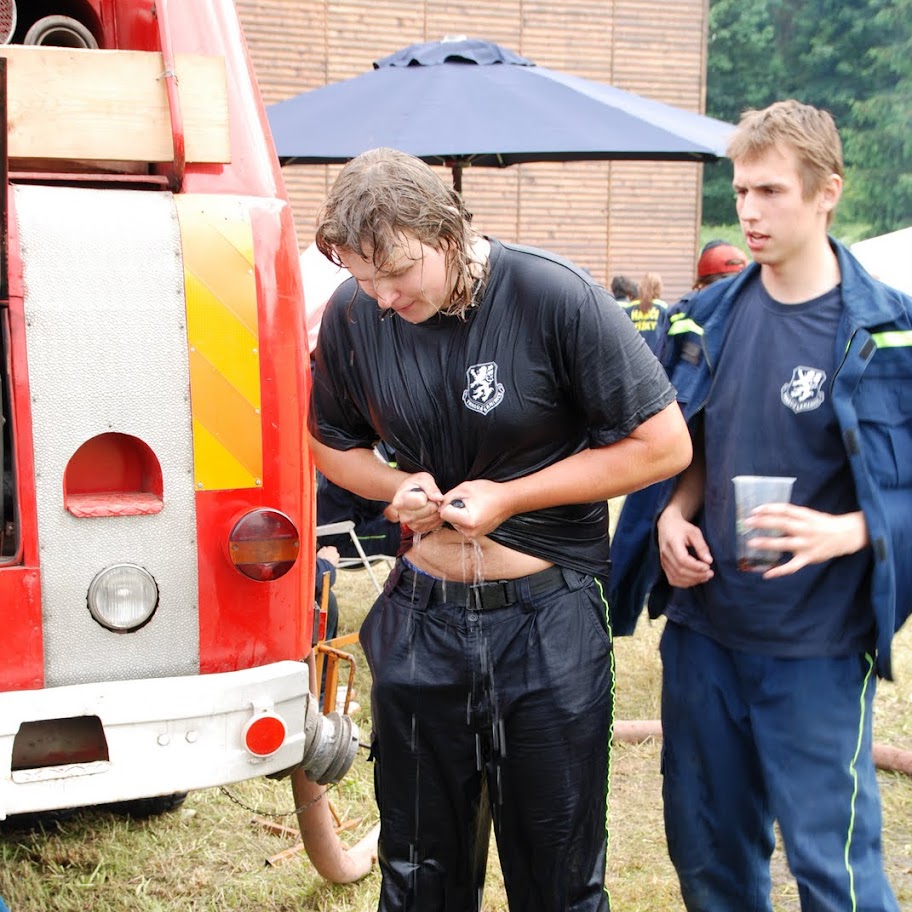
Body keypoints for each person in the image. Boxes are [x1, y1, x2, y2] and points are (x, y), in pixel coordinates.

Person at [308, 147, 691, 912]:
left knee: (556, 878)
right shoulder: (355, 315)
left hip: (545, 623)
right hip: (420, 620)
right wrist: (395, 485)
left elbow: (664, 445)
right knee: (419, 876)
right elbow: (327, 441)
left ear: (444, 233)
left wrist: (511, 498)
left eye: (398, 272)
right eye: (362, 275)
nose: (382, 296)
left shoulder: (553, 295)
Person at [610, 99, 912, 911]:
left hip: (815, 643)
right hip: (706, 634)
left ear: (827, 192)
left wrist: (849, 528)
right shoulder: (704, 320)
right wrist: (675, 512)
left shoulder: (889, 335)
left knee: (834, 868)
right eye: (742, 191)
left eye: (772, 192)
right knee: (708, 855)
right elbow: (694, 446)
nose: (749, 211)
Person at [623, 271, 667, 351]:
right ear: (658, 288)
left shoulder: (630, 308)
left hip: (634, 356)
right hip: (655, 357)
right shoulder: (663, 308)